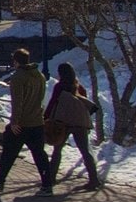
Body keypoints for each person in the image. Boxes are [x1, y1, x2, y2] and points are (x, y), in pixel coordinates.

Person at [0, 49, 56, 194]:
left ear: (16, 61)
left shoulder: (18, 78)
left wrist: (14, 122)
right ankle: (47, 184)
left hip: (22, 123)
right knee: (39, 155)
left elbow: (18, 102)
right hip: (37, 121)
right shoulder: (39, 76)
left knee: (8, 154)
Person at [43, 62, 102, 191]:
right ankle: (94, 179)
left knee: (57, 150)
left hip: (62, 124)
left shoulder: (60, 87)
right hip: (80, 124)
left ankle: (51, 177)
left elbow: (54, 103)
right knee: (85, 151)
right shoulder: (79, 87)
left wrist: (46, 118)